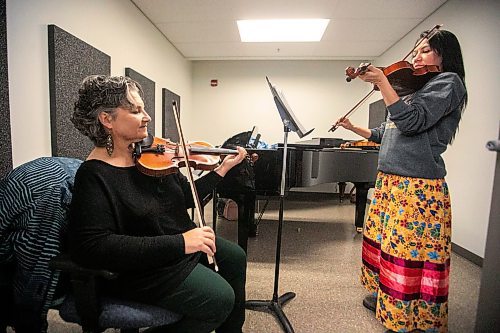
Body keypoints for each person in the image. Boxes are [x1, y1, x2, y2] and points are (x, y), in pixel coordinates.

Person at [68, 75, 248, 333]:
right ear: (107, 119)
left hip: (178, 244)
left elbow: (187, 196)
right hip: (145, 268)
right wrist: (182, 242)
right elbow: (92, 246)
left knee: (235, 257)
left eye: (143, 109)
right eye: (135, 110)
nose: (147, 117)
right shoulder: (94, 175)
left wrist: (221, 169)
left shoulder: (153, 155)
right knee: (219, 299)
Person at [334, 29, 467, 333]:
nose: (416, 57)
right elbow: (386, 133)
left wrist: (382, 81)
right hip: (392, 183)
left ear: (444, 56)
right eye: (416, 51)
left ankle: (410, 313)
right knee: (389, 246)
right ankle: (388, 296)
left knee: (408, 251)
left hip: (416, 186)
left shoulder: (449, 83)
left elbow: (412, 123)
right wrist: (354, 127)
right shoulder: (416, 89)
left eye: (425, 51)